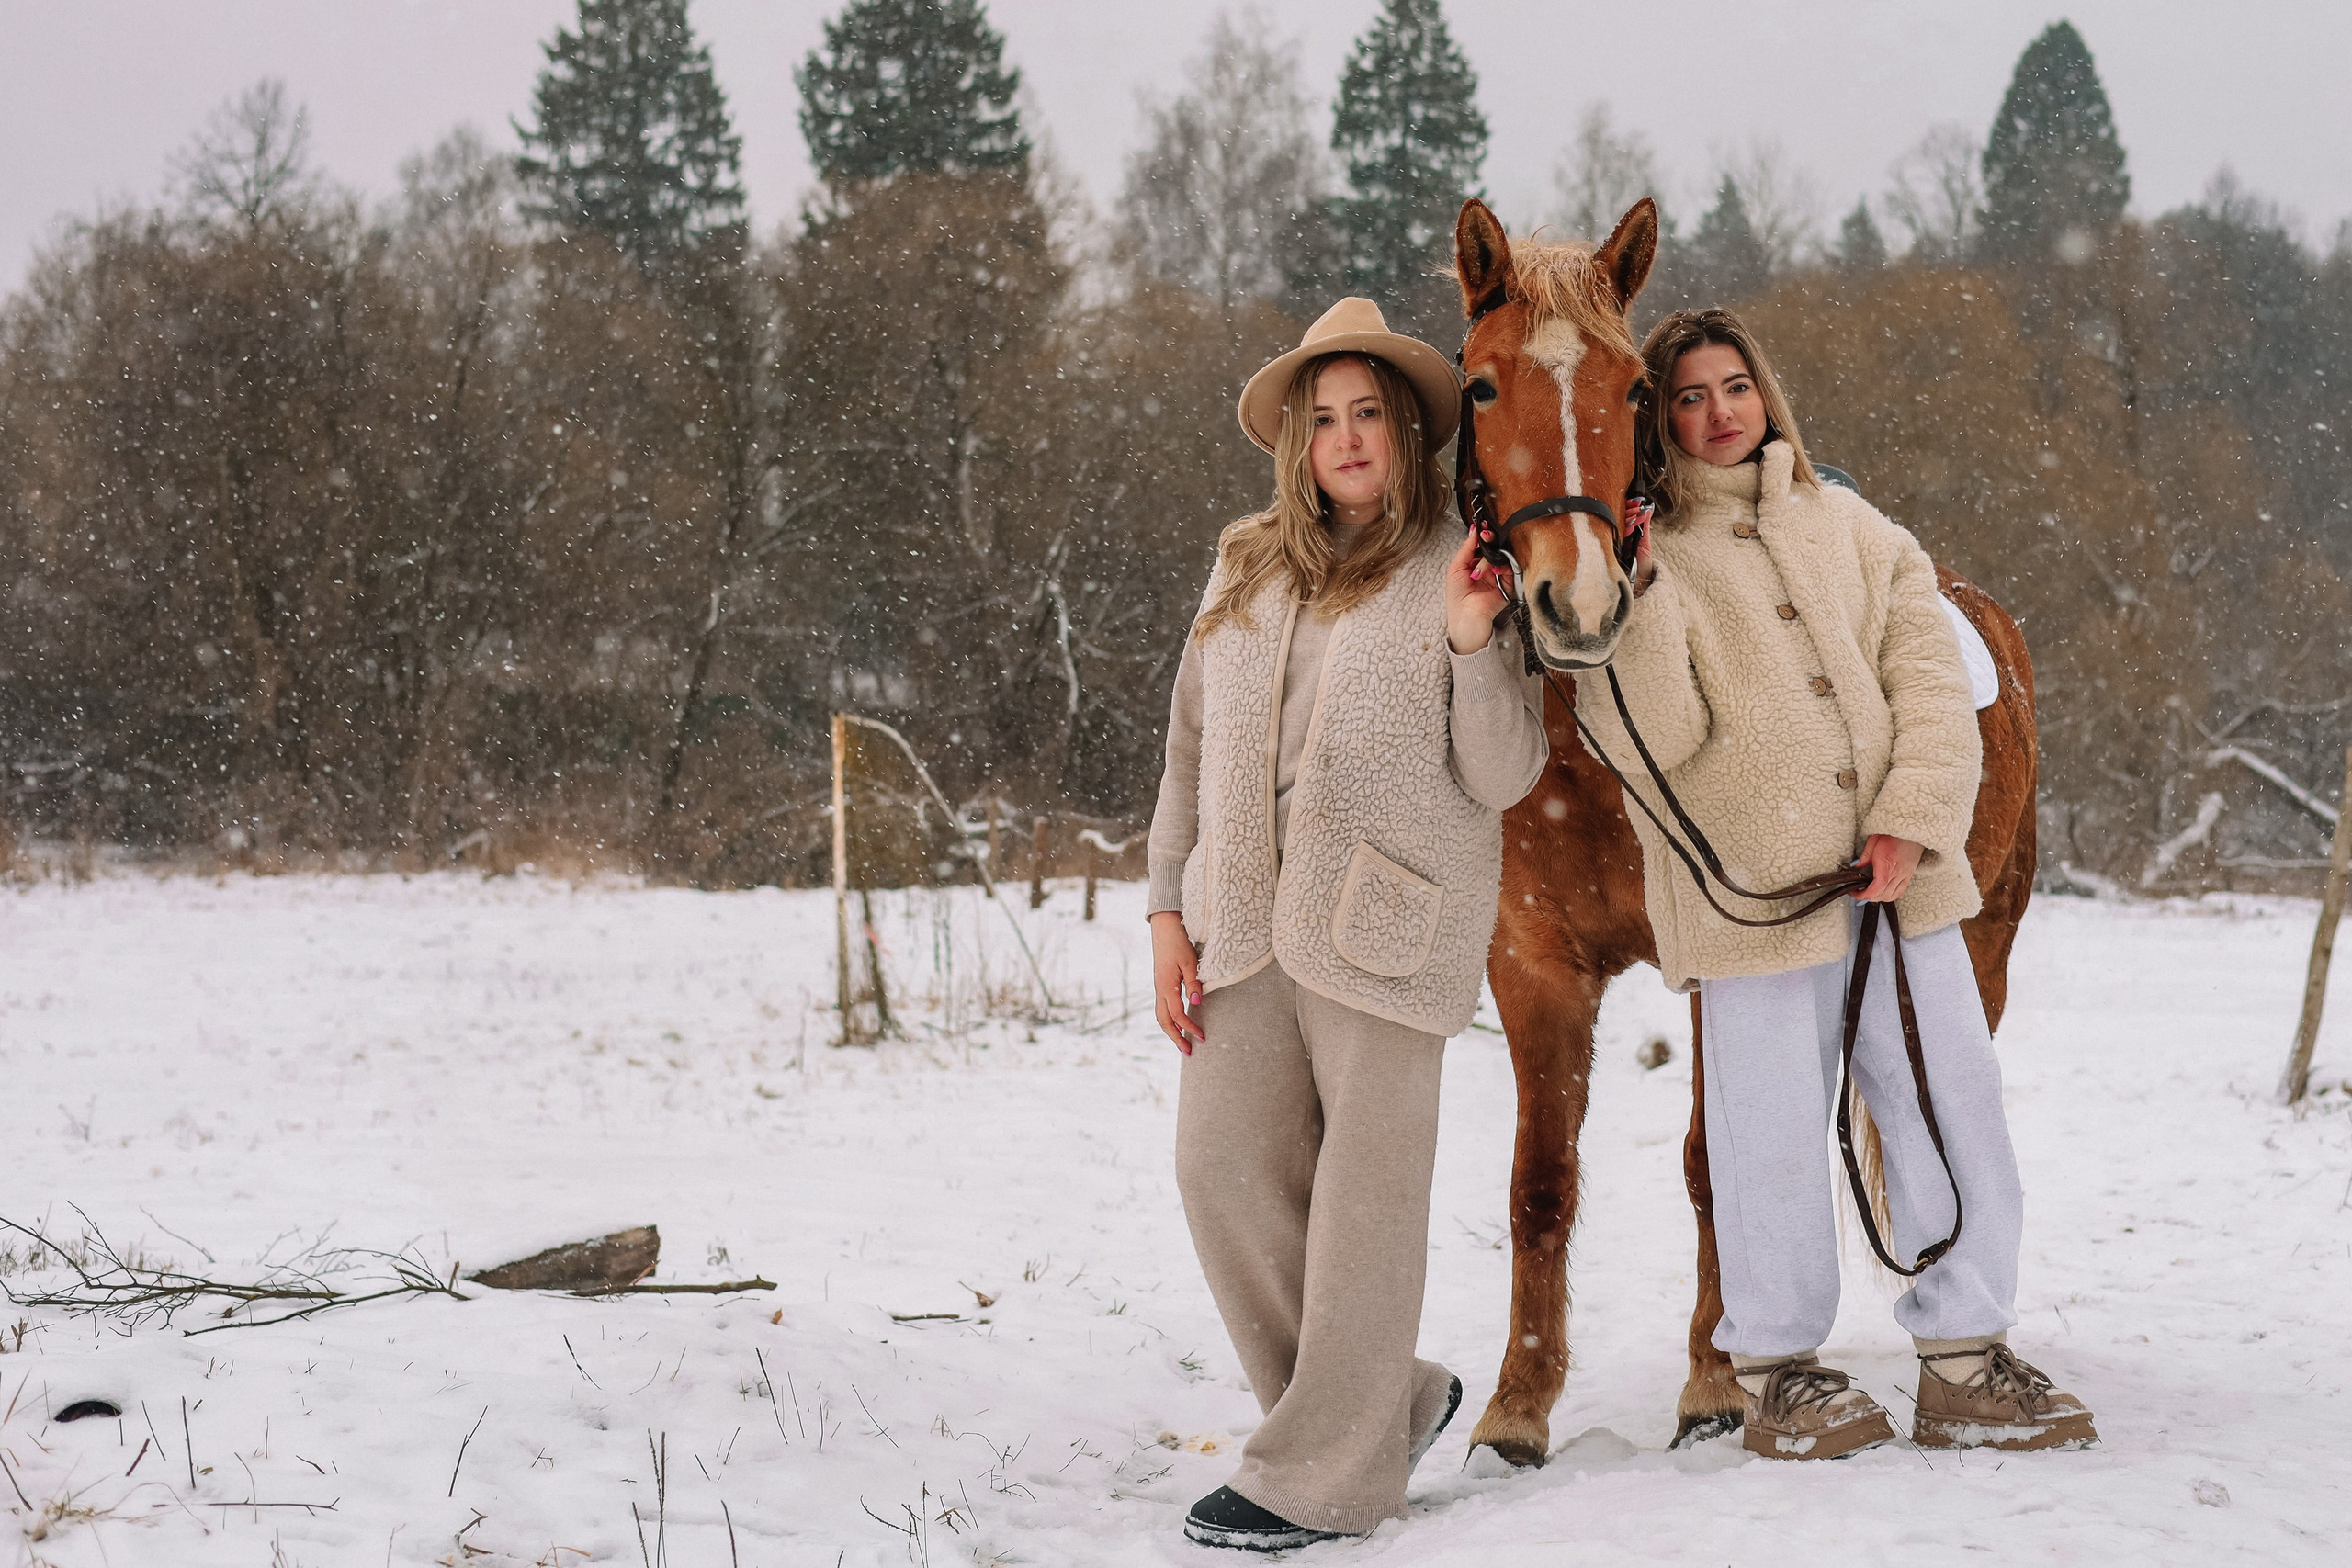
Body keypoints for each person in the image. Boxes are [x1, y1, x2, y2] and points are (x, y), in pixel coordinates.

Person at [1585, 306, 2098, 1461]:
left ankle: (1964, 1352)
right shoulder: (1649, 557)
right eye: (1687, 397)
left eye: (1734, 387)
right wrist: (1644, 588)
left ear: (1765, 393)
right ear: (1656, 421)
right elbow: (1655, 734)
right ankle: (1774, 1371)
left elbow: (1924, 676)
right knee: (1763, 1132)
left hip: (1894, 885)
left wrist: (1912, 823)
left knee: (1947, 1096)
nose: (1718, 414)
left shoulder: (1860, 531)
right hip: (1753, 901)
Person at [1146, 298, 1548, 1547]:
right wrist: (1166, 906)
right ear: (1297, 442)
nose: (1347, 436)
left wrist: (1478, 640)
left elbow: (1505, 773)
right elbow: (1188, 747)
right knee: (1221, 1173)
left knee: (1365, 1208)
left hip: (1388, 926)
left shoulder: (1463, 564)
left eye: (1368, 411)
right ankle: (1380, 1408)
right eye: (1324, 418)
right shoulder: (1246, 561)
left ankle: (1323, 1474)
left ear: (1408, 427)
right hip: (1241, 920)